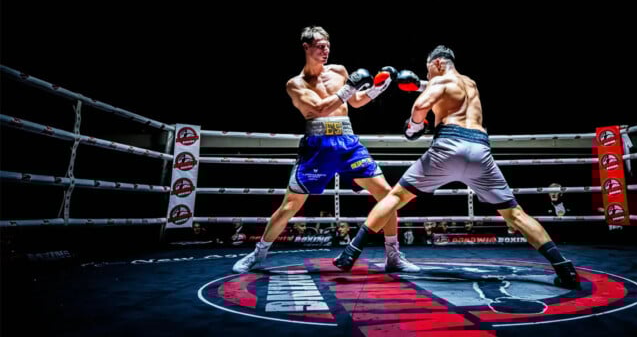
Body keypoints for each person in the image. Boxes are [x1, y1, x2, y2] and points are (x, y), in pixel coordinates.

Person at [333, 45, 581, 288]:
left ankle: (350, 253)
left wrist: (415, 126)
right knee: (515, 215)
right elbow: (444, 89)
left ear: (438, 64)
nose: (428, 76)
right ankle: (563, 267)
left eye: (428, 70)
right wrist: (418, 83)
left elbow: (420, 106)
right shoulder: (470, 82)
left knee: (395, 196)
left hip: (449, 147)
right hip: (480, 151)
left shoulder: (439, 82)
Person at [232, 26, 419, 273]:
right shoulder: (295, 84)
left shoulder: (339, 71)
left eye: (327, 46)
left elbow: (356, 101)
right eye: (320, 46)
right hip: (318, 147)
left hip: (348, 142)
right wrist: (349, 87)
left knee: (387, 195)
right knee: (290, 205)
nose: (325, 50)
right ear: (306, 47)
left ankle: (393, 256)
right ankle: (258, 255)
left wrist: (377, 88)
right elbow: (319, 109)